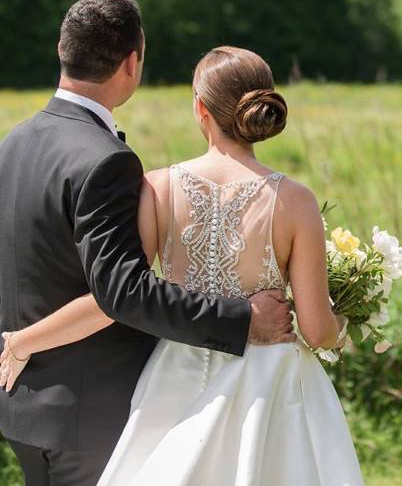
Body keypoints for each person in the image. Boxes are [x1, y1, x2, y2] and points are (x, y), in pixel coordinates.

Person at [2, 33, 364, 484]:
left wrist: (25, 340)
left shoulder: (158, 188)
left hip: (174, 379)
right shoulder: (295, 201)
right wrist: (345, 319)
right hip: (269, 388)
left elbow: (115, 297)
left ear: (201, 110)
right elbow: (316, 329)